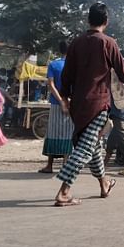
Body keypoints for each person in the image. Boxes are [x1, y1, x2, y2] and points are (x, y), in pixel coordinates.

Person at [53, 3, 124, 206]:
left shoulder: (76, 42)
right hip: (98, 103)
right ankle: (64, 191)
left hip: (79, 104)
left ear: (87, 20)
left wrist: (64, 97)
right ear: (106, 22)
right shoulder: (108, 43)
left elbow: (67, 74)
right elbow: (122, 70)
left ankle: (104, 184)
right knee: (84, 148)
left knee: (94, 146)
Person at [40, 40, 74, 174]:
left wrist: (60, 101)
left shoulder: (53, 64)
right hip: (71, 103)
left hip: (55, 103)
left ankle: (49, 165)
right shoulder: (75, 66)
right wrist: (68, 100)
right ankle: (66, 164)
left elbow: (51, 85)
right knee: (68, 133)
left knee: (52, 132)